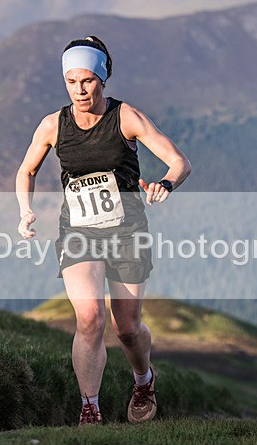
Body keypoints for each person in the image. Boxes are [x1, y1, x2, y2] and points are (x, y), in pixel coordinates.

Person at [15, 36, 191, 425]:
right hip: (79, 232)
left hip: (128, 232)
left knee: (126, 328)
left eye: (88, 81)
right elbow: (26, 170)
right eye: (72, 81)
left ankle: (143, 380)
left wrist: (166, 184)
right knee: (90, 318)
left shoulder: (126, 117)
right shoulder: (52, 125)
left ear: (103, 79)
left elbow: (179, 161)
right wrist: (25, 211)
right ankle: (89, 409)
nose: (79, 90)